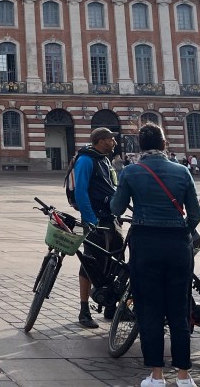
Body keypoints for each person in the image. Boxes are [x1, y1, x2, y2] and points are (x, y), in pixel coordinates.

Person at [110, 123, 200, 387]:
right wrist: (180, 231)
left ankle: (157, 376)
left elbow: (116, 208)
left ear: (140, 146)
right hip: (178, 246)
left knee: (149, 310)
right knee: (179, 310)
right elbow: (195, 214)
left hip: (145, 244)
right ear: (164, 144)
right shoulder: (182, 171)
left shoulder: (131, 171)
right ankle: (183, 376)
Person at [71, 127, 120, 329]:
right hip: (95, 220)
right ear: (100, 141)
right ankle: (84, 310)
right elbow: (81, 192)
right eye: (111, 139)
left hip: (110, 218)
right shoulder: (86, 160)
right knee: (89, 263)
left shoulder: (104, 159)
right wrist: (90, 220)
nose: (114, 142)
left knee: (115, 260)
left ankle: (110, 304)